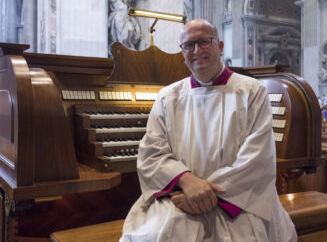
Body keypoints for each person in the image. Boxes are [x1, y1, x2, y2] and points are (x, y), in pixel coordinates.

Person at [120, 19, 297, 242]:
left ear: (220, 46)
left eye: (204, 42)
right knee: (155, 235)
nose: (196, 51)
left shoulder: (252, 92)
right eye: (188, 45)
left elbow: (257, 159)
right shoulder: (168, 97)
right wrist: (186, 181)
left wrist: (206, 195)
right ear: (182, 52)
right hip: (180, 195)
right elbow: (151, 155)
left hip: (237, 200)